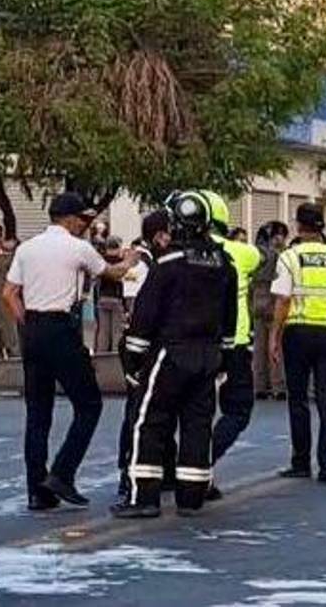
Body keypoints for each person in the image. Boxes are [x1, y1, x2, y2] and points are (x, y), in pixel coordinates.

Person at [3, 192, 136, 512]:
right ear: (70, 219)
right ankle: (63, 472)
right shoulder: (77, 248)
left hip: (33, 328)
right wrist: (131, 259)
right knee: (89, 403)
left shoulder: (27, 247)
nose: (85, 224)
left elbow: (9, 293)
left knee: (38, 413)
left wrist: (28, 322)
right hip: (61, 327)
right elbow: (113, 273)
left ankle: (37, 491)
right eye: (82, 219)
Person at [111, 192, 236, 519]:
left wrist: (134, 359)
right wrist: (224, 355)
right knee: (198, 424)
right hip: (209, 354)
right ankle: (192, 497)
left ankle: (145, 499)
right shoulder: (224, 262)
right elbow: (230, 315)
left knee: (148, 420)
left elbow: (146, 314)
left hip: (171, 352)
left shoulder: (168, 262)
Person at [269, 202, 326, 482]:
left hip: (297, 333)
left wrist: (274, 335)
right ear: (322, 227)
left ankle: (300, 463)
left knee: (298, 400)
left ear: (298, 226)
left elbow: (283, 299)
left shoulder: (289, 257)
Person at [199, 190, 263, 500]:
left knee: (192, 413)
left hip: (191, 345)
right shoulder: (244, 253)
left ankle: (185, 471)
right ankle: (202, 466)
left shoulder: (178, 253)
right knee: (237, 412)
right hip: (234, 345)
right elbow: (259, 260)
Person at [116, 210, 175, 504]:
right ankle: (128, 475)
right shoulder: (141, 262)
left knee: (161, 409)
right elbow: (135, 306)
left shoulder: (164, 261)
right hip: (141, 342)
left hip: (158, 341)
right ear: (159, 235)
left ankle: (166, 470)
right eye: (170, 232)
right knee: (138, 412)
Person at [251, 221, 289, 401]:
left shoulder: (255, 254)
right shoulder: (280, 256)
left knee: (259, 345)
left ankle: (259, 385)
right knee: (276, 345)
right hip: (274, 298)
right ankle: (278, 386)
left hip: (257, 298)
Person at [94, 236, 127, 354]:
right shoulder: (121, 262)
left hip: (102, 298)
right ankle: (115, 354)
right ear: (117, 247)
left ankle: (101, 354)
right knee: (116, 330)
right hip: (116, 298)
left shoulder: (101, 261)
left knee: (103, 330)